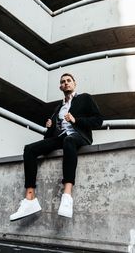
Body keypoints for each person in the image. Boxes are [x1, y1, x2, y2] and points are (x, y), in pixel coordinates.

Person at [10, 73, 103, 221]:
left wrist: (75, 120)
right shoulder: (58, 108)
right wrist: (49, 127)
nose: (66, 83)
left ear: (74, 83)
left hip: (79, 137)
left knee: (69, 141)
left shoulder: (85, 98)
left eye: (68, 81)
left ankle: (67, 196)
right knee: (29, 149)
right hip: (61, 138)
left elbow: (98, 121)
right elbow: (49, 138)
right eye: (63, 82)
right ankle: (30, 199)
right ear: (60, 87)